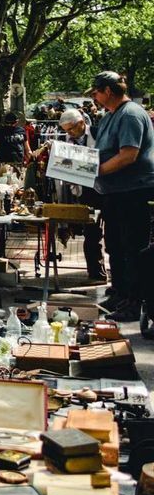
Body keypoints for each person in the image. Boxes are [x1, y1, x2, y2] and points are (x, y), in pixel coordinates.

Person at [89, 72, 154, 320]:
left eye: (96, 92)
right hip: (115, 191)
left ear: (107, 90)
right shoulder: (109, 117)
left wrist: (97, 171)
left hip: (133, 190)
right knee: (114, 244)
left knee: (132, 246)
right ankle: (119, 292)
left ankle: (133, 301)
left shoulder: (130, 114)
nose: (94, 97)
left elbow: (129, 154)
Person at [54, 108, 105, 281]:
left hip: (106, 189)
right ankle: (97, 273)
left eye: (71, 129)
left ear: (82, 123)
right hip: (85, 191)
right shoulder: (68, 141)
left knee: (112, 234)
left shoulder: (99, 133)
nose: (69, 133)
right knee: (92, 233)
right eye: (66, 130)